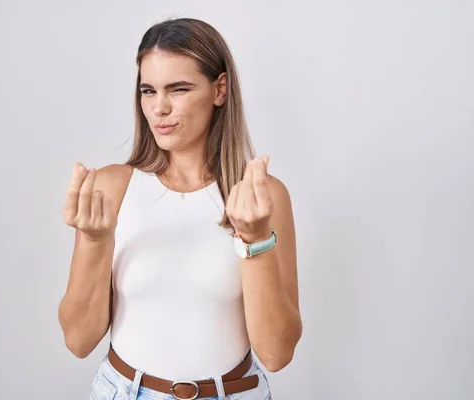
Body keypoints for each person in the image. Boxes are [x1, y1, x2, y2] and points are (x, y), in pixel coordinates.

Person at [59, 17, 302, 400]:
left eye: (179, 89)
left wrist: (254, 240)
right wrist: (95, 240)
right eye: (148, 91)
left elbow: (276, 353)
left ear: (219, 89)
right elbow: (78, 340)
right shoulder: (114, 188)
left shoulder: (261, 197)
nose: (159, 108)